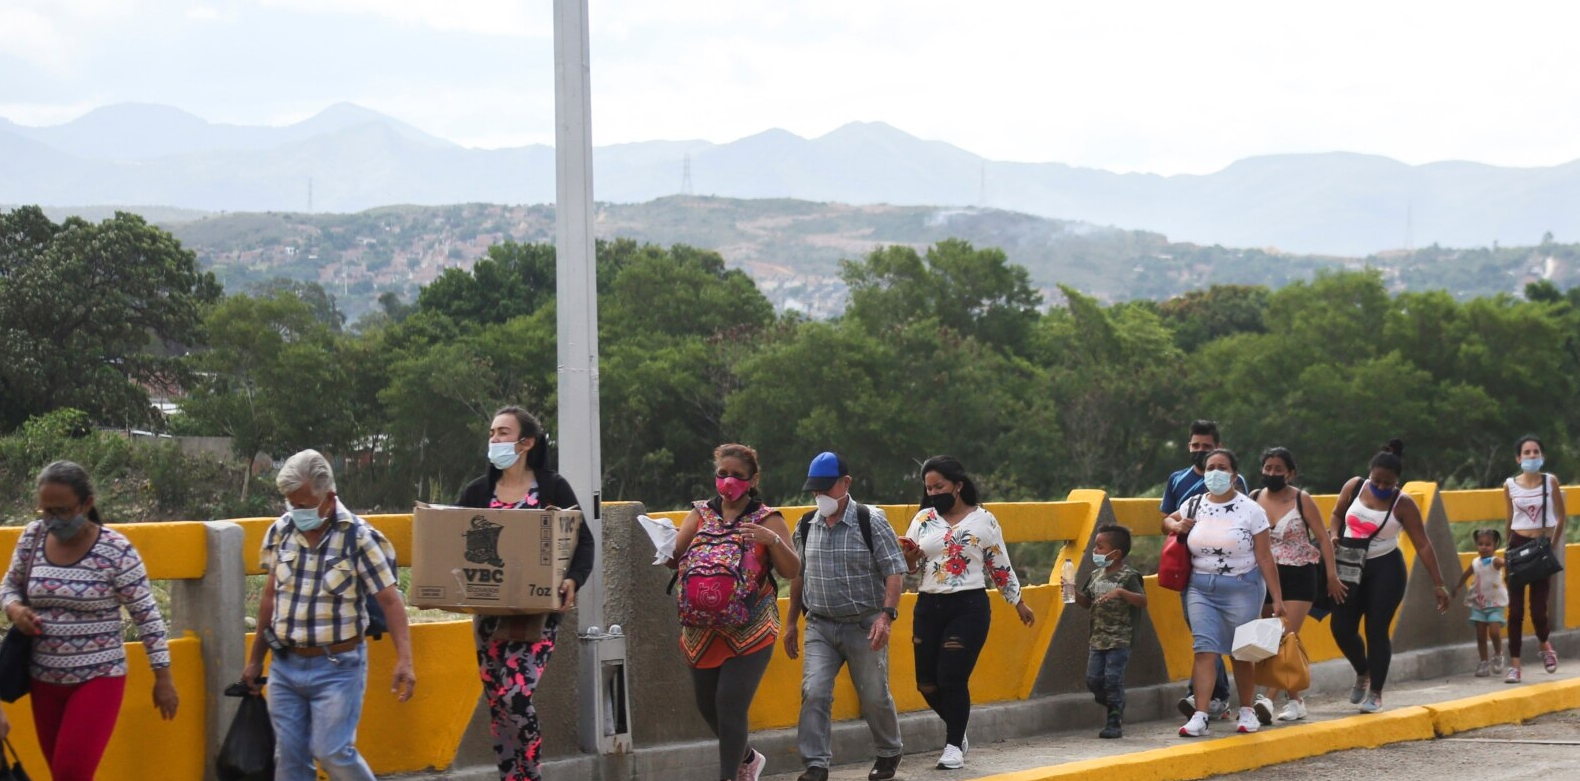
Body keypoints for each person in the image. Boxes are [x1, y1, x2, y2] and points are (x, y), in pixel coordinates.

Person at [241, 449, 416, 781]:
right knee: (289, 760)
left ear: (329, 497)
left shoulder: (359, 537)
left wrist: (404, 659)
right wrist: (254, 661)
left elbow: (391, 601)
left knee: (332, 751)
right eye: (291, 505)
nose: (296, 512)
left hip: (338, 667)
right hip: (285, 665)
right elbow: (269, 597)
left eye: (304, 505)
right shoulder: (280, 532)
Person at [1, 461, 178, 780]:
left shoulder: (115, 550)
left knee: (71, 773)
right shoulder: (33, 538)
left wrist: (163, 678)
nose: (53, 520)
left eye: (63, 511)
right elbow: (10, 584)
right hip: (43, 678)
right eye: (47, 511)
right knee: (59, 771)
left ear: (86, 504)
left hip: (98, 677)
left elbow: (148, 617)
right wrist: (14, 609)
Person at [455, 406, 596, 781]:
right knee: (498, 705)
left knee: (515, 696)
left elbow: (583, 542)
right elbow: (451, 540)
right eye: (492, 433)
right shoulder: (477, 492)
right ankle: (510, 776)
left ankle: (529, 774)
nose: (494, 440)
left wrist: (573, 580)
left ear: (526, 442)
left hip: (538, 614)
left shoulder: (552, 488)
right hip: (489, 616)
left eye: (503, 432)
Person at [671, 444, 801, 781]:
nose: (728, 481)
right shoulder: (699, 514)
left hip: (750, 627)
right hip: (701, 628)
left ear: (753, 479)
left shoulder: (768, 519)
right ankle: (748, 757)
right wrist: (668, 548)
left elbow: (791, 570)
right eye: (722, 474)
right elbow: (675, 556)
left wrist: (772, 540)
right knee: (707, 706)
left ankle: (729, 776)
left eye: (737, 476)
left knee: (730, 703)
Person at [901, 455, 1035, 770]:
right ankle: (958, 730)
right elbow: (910, 567)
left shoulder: (983, 520)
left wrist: (1018, 602)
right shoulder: (923, 520)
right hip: (928, 606)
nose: (934, 492)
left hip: (968, 606)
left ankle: (952, 746)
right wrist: (909, 557)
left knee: (951, 677)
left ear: (958, 485)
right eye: (929, 488)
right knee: (926, 684)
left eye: (940, 486)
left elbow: (999, 565)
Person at [784, 452, 907, 781]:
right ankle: (815, 764)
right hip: (820, 625)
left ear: (846, 483)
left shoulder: (871, 520)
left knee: (873, 693)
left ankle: (888, 751)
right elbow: (799, 575)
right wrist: (791, 623)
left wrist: (886, 616)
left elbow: (894, 570)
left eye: (826, 488)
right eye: (815, 490)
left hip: (864, 623)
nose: (820, 496)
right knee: (814, 691)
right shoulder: (807, 524)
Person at [1163, 448, 1284, 737]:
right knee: (1204, 650)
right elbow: (1167, 520)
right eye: (1210, 467)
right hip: (1201, 587)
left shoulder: (1252, 510)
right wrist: (1175, 524)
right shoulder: (1194, 504)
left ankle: (1246, 710)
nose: (1215, 472)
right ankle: (1201, 715)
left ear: (1233, 474)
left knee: (1242, 652)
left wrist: (1277, 598)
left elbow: (1265, 557)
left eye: (1222, 467)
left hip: (1243, 586)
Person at [1327, 440, 1451, 713]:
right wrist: (1334, 534)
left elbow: (1423, 544)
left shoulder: (1403, 504)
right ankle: (1363, 671)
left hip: (1385, 570)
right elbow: (1336, 515)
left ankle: (1376, 693)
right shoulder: (1354, 487)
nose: (1381, 487)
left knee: (1376, 630)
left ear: (1397, 481)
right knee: (1341, 628)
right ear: (1369, 474)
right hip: (1349, 566)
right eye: (1377, 481)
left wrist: (1438, 584)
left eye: (1388, 484)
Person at [1162, 420, 1247, 721]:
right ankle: (1213, 696)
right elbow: (1165, 519)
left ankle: (1212, 696)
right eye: (1195, 446)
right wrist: (1177, 525)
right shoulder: (1177, 480)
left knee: (1220, 636)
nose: (1200, 452)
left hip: (1230, 574)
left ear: (1218, 447)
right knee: (1202, 634)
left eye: (1206, 447)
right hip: (1190, 570)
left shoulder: (1235, 482)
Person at [1250, 447, 1342, 722]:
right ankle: (1296, 700)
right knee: (1269, 639)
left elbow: (1324, 539)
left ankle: (1266, 700)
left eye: (1279, 469)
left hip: (1300, 574)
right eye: (1268, 468)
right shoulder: (1254, 498)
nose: (1272, 473)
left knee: (1285, 636)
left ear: (1290, 473)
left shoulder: (1303, 500)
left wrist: (1331, 576)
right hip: (1266, 575)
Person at [1069, 525, 1146, 739]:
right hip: (1098, 638)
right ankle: (1116, 702)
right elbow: (1087, 601)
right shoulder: (1095, 575)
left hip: (1120, 638)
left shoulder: (1129, 576)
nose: (1095, 551)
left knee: (1113, 678)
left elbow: (1142, 601)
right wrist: (1071, 592)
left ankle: (1114, 721)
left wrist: (1121, 592)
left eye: (1100, 547)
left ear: (1116, 553)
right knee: (1094, 680)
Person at [1501, 435, 1566, 683]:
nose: (1531, 456)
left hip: (1541, 547)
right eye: (1526, 453)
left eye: (1535, 452)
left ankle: (1545, 645)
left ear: (1542, 456)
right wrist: (1507, 548)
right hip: (1517, 546)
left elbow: (1561, 516)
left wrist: (1553, 543)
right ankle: (1515, 665)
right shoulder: (1510, 485)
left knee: (1538, 610)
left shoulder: (1550, 482)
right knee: (1515, 611)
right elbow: (1509, 519)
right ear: (1518, 458)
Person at [1451, 529, 1507, 677]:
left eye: (1488, 544)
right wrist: (1457, 587)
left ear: (1495, 546)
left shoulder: (1494, 561)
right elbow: (1466, 574)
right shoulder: (1475, 562)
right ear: (1476, 545)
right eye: (1480, 544)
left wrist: (1510, 563)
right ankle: (1483, 662)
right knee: (1481, 635)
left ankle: (1498, 655)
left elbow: (1503, 562)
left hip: (1494, 603)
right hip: (1479, 604)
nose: (1484, 547)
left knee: (1494, 632)